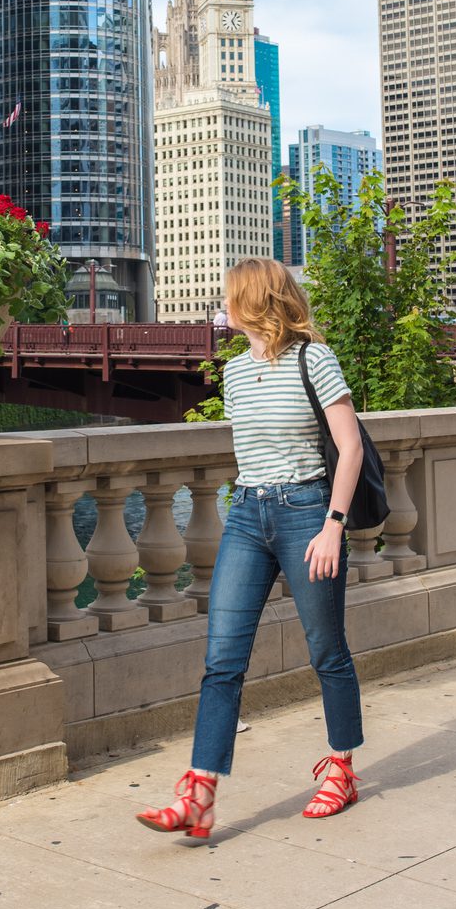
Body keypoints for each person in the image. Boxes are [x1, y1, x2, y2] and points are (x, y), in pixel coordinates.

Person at [137, 258, 365, 841]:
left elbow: (350, 446)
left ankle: (341, 766)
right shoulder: (235, 373)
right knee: (222, 658)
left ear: (253, 300)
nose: (223, 305)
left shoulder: (315, 359)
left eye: (229, 296)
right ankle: (199, 791)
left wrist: (333, 525)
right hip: (246, 514)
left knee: (327, 650)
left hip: (306, 513)